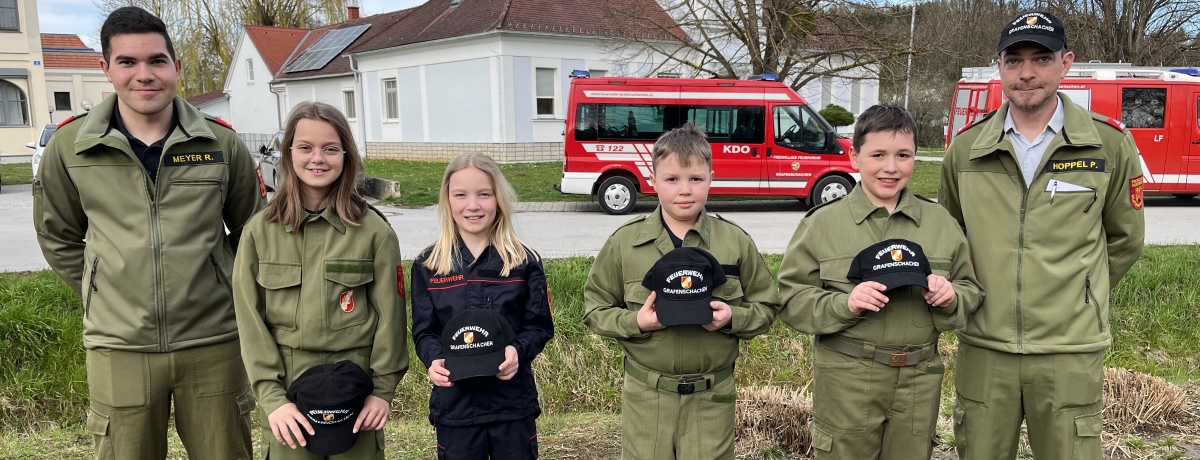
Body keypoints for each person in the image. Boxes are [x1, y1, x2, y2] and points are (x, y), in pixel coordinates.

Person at [32, 6, 265, 459]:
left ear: (176, 67)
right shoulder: (71, 145)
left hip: (214, 341)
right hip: (118, 347)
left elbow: (252, 231)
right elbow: (57, 235)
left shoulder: (222, 144)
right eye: (128, 62)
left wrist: (223, 281)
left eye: (157, 61)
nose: (145, 75)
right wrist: (103, 284)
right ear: (106, 68)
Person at [939, 11, 1145, 460]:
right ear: (999, 67)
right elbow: (951, 236)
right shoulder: (966, 149)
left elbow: (1125, 239)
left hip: (1069, 349)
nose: (1027, 72)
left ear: (1065, 63)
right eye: (1013, 60)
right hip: (984, 346)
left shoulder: (1108, 145)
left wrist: (1079, 292)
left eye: (1041, 58)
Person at [776, 105, 984, 459]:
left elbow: (971, 290)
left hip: (918, 381)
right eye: (878, 155)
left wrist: (951, 297)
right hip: (848, 378)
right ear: (855, 156)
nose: (891, 167)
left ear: (915, 157)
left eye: (903, 155)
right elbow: (791, 300)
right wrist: (845, 304)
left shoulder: (940, 223)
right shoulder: (822, 225)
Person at [582, 123, 780, 460]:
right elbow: (595, 309)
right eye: (672, 179)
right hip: (647, 396)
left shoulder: (735, 242)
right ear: (653, 180)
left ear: (711, 178)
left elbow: (767, 306)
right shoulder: (624, 244)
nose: (684, 190)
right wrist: (637, 323)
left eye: (696, 179)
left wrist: (732, 317)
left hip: (711, 398)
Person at [232, 101, 407, 459]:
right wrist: (272, 398)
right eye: (305, 148)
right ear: (288, 153)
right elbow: (250, 322)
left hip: (355, 392)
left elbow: (391, 319)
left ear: (347, 154)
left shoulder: (373, 232)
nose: (318, 159)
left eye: (330, 148)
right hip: (288, 394)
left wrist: (383, 390)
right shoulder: (259, 232)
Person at [409, 152, 554, 460]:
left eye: (483, 194)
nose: (472, 205)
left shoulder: (524, 261)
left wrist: (518, 351)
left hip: (512, 405)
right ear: (447, 200)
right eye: (460, 195)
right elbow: (425, 332)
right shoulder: (427, 265)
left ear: (498, 199)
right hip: (456, 407)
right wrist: (434, 360)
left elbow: (540, 327)